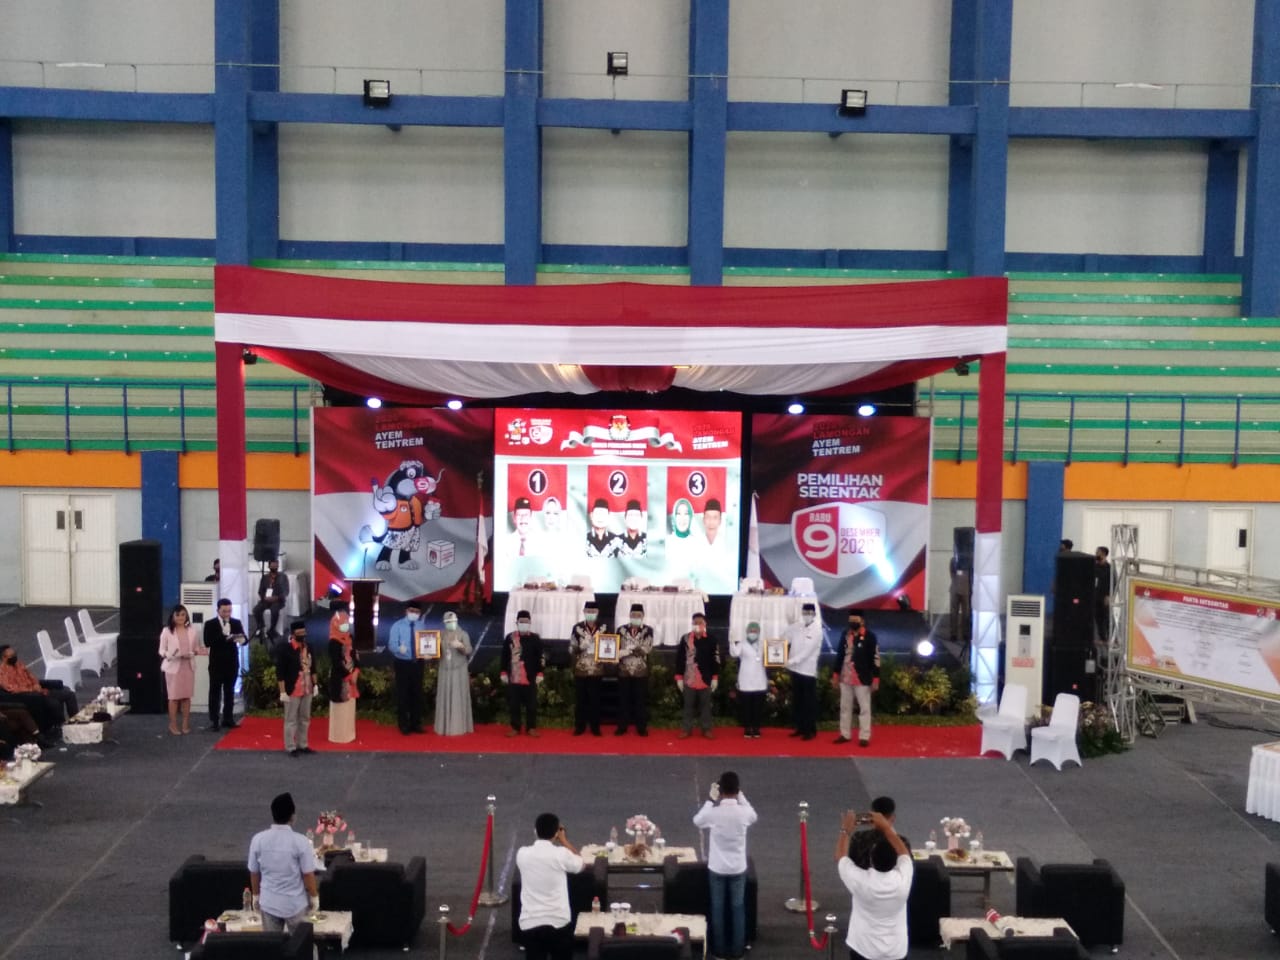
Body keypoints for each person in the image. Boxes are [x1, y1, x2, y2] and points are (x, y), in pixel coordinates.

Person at [693, 771, 757, 960]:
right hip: (737, 868)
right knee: (738, 908)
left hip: (717, 868)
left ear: (719, 791)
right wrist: (741, 796)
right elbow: (753, 815)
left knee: (717, 908)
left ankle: (719, 951)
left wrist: (709, 800)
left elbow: (697, 821)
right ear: (737, 790)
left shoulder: (714, 813)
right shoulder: (743, 813)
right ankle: (737, 951)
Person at [834, 806, 913, 960]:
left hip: (864, 949)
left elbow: (840, 856)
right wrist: (886, 827)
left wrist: (845, 830)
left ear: (871, 860)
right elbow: (903, 852)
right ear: (895, 862)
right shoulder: (903, 877)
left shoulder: (861, 880)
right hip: (896, 950)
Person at [515, 812, 586, 960]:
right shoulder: (561, 854)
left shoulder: (522, 854)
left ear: (535, 831)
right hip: (559, 922)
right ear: (556, 833)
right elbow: (581, 863)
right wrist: (564, 840)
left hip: (530, 923)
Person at [248, 792, 319, 933]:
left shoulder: (258, 839)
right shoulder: (301, 841)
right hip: (294, 904)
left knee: (272, 944)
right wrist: (314, 896)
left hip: (269, 903)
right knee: (300, 943)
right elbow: (307, 874)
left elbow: (254, 873)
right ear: (293, 816)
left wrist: (255, 895)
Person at [0, 644, 77, 733]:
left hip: (40, 690)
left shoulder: (19, 664)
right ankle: (62, 727)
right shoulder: (2, 673)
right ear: (4, 658)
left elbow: (32, 677)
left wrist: (36, 684)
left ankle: (75, 722)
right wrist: (33, 690)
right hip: (31, 696)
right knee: (54, 703)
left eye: (15, 654)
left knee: (70, 694)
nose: (15, 657)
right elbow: (13, 689)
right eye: (12, 656)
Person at [833, 610, 879, 747]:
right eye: (851, 620)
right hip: (845, 676)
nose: (852, 623)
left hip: (862, 677)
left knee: (864, 708)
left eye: (855, 620)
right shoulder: (845, 634)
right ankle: (845, 734)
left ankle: (864, 736)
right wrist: (835, 674)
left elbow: (875, 658)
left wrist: (876, 678)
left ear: (862, 621)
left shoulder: (870, 636)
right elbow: (840, 655)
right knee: (845, 707)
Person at [159, 604, 204, 736]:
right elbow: (161, 650)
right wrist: (169, 655)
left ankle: (185, 723)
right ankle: (173, 724)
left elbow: (196, 648)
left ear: (186, 616)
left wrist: (194, 653)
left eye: (183, 615)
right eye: (178, 615)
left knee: (186, 697)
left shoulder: (192, 631)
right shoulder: (167, 631)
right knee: (173, 698)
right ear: (173, 616)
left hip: (188, 666)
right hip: (173, 667)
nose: (180, 617)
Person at [203, 597, 245, 732]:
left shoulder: (236, 622)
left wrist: (239, 638)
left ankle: (228, 718)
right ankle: (214, 720)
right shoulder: (210, 624)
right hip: (216, 663)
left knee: (229, 691)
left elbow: (244, 639)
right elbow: (207, 642)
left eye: (229, 611)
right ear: (218, 610)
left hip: (231, 662)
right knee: (214, 692)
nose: (227, 614)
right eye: (224, 611)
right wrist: (224, 636)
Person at [675, 612, 719, 739]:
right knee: (688, 706)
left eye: (700, 623)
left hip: (705, 679)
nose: (698, 625)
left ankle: (706, 729)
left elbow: (716, 659)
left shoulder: (712, 639)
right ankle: (686, 729)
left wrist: (715, 677)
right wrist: (679, 678)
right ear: (692, 624)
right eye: (695, 623)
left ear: (705, 624)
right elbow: (680, 659)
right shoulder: (685, 639)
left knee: (705, 707)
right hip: (689, 679)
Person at [500, 609, 544, 737]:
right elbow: (504, 656)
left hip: (530, 676)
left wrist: (540, 672)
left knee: (531, 704)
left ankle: (531, 727)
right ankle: (515, 727)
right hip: (514, 676)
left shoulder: (535, 639)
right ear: (517, 623)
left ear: (530, 623)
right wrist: (503, 671)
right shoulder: (510, 638)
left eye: (526, 622)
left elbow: (540, 657)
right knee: (514, 704)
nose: (523, 624)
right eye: (521, 622)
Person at [276, 620, 317, 757]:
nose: (302, 635)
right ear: (293, 634)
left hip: (307, 687)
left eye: (304, 632)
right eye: (299, 633)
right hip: (293, 689)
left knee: (305, 717)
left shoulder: (308, 647)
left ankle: (303, 744)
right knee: (291, 719)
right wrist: (282, 691)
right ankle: (290, 746)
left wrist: (315, 684)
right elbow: (280, 672)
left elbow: (314, 667)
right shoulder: (285, 649)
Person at [784, 602, 823, 740]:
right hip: (795, 670)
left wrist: (790, 661)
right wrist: (789, 625)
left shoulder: (817, 630)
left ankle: (810, 730)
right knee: (798, 700)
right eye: (805, 613)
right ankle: (800, 727)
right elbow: (785, 639)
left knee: (808, 702)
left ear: (814, 614)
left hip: (807, 672)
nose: (807, 615)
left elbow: (807, 652)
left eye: (809, 613)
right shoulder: (797, 627)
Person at [568, 600, 606, 736]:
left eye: (593, 612)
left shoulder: (604, 627)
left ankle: (595, 727)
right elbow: (571, 649)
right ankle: (580, 726)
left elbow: (611, 645)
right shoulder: (577, 628)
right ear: (584, 612)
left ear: (598, 612)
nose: (591, 614)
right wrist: (580, 647)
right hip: (581, 669)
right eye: (588, 611)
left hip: (597, 669)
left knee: (596, 700)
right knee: (581, 700)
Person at [615, 602, 654, 736]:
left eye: (638, 615)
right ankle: (622, 726)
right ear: (629, 615)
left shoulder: (648, 630)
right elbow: (615, 647)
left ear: (643, 616)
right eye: (633, 615)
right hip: (624, 670)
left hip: (640, 670)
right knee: (623, 700)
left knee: (640, 700)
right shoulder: (621, 630)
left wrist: (629, 651)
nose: (636, 617)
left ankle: (641, 727)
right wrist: (618, 653)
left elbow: (646, 648)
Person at [388, 600, 425, 734]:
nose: (414, 614)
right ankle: (403, 724)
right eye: (412, 611)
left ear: (420, 613)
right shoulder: (397, 626)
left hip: (418, 663)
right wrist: (399, 649)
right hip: (402, 663)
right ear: (406, 611)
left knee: (417, 693)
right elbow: (391, 644)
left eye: (417, 612)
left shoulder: (421, 625)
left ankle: (416, 724)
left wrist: (426, 653)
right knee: (403, 694)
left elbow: (425, 642)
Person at [435, 611, 474, 735]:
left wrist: (460, 646)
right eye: (448, 622)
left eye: (453, 621)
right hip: (445, 669)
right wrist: (429, 653)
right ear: (444, 623)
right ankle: (443, 726)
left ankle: (459, 726)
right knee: (444, 695)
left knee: (458, 695)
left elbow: (469, 650)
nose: (451, 623)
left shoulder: (463, 634)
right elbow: (436, 651)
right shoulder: (440, 635)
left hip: (459, 670)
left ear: (456, 621)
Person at [846, 797, 910, 869]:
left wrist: (845, 830)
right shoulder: (902, 842)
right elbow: (908, 866)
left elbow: (851, 864)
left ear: (871, 816)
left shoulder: (858, 837)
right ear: (893, 817)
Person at [327, 601, 358, 744]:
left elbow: (355, 656)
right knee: (340, 708)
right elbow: (336, 663)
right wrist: (349, 676)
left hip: (352, 678)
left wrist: (356, 671)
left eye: (346, 622)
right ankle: (338, 736)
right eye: (342, 623)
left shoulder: (350, 638)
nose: (345, 625)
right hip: (340, 679)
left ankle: (349, 734)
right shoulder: (333, 642)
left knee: (349, 707)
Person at [731, 620, 767, 738]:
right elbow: (734, 653)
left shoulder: (763, 644)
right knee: (746, 706)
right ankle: (747, 728)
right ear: (746, 632)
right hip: (745, 678)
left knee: (758, 706)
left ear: (759, 632)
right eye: (751, 630)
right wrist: (732, 641)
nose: (753, 633)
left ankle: (756, 728)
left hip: (760, 679)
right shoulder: (742, 644)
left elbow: (772, 656)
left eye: (755, 631)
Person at [253, 558, 289, 642]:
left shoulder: (283, 577)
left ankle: (272, 630)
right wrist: (264, 598)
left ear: (278, 566)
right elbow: (260, 591)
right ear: (269, 566)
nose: (274, 567)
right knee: (256, 610)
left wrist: (277, 597)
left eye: (275, 565)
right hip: (266, 600)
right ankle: (261, 627)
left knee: (274, 610)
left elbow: (286, 591)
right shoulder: (265, 577)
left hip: (278, 600)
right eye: (272, 565)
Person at [1095, 545, 1113, 641]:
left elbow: (1113, 582)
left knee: (1106, 618)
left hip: (1104, 597)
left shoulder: (1109, 568)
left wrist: (1109, 596)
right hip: (1095, 596)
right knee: (1097, 618)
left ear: (1103, 554)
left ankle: (1110, 638)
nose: (1096, 554)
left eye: (1098, 552)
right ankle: (1101, 638)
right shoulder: (1095, 567)